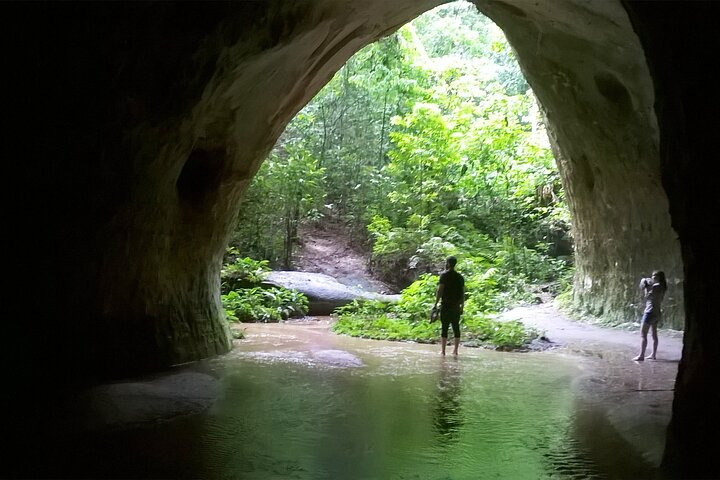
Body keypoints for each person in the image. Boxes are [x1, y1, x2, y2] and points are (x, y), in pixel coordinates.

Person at [432, 256, 465, 356]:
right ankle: (455, 351)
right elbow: (463, 293)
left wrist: (435, 303)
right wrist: (462, 306)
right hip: (456, 306)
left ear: (448, 263)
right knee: (456, 327)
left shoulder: (444, 276)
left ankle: (443, 351)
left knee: (444, 327)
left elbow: (440, 290)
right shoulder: (460, 277)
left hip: (445, 305)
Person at [633, 270, 667, 361]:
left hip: (649, 311)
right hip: (657, 312)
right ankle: (653, 354)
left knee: (643, 335)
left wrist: (645, 285)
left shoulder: (656, 286)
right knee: (654, 334)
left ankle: (641, 355)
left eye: (655, 275)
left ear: (659, 277)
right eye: (652, 275)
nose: (653, 277)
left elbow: (647, 296)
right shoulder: (663, 286)